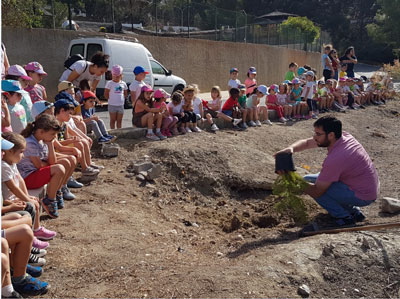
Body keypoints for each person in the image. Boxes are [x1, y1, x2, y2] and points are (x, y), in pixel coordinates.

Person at [275, 116, 379, 228]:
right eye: (315, 133)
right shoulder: (344, 137)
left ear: (331, 135)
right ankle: (354, 212)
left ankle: (343, 217)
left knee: (317, 188)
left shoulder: (336, 158)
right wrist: (291, 149)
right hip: (364, 186)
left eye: (318, 134)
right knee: (308, 179)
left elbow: (316, 192)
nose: (314, 137)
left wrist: (291, 178)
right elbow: (306, 143)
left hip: (363, 195)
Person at [1, 132, 57, 248]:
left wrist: (27, 196)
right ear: (10, 151)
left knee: (34, 202)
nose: (23, 155)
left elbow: (20, 180)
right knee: (30, 206)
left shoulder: (12, 162)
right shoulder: (4, 166)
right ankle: (31, 237)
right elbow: (13, 187)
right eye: (21, 152)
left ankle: (35, 231)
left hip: (14, 198)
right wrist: (26, 199)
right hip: (9, 201)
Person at [17, 114, 66, 218]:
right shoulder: (30, 143)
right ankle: (50, 200)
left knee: (64, 163)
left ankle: (56, 192)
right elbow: (39, 165)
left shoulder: (43, 140)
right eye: (52, 134)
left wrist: (50, 144)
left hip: (34, 174)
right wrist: (48, 163)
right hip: (27, 178)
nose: (54, 137)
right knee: (59, 169)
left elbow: (51, 162)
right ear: (41, 132)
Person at [104, 65, 128, 129]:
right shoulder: (109, 83)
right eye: (115, 75)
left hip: (120, 105)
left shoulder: (123, 84)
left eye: (119, 75)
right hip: (112, 105)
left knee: (119, 121)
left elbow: (125, 93)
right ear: (112, 75)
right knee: (113, 120)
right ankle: (112, 132)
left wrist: (122, 99)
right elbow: (106, 93)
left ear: (121, 75)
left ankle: (119, 133)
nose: (117, 77)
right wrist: (111, 99)